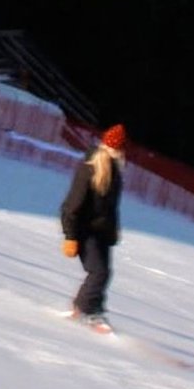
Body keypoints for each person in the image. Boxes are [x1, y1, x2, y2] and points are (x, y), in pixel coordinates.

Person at [60, 124, 128, 331]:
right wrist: (70, 236)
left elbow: (110, 207)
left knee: (104, 273)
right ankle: (82, 309)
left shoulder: (114, 171)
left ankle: (95, 310)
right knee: (98, 272)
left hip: (102, 232)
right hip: (85, 230)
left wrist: (113, 229)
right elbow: (71, 205)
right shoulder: (90, 168)